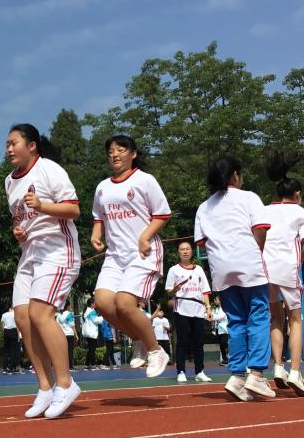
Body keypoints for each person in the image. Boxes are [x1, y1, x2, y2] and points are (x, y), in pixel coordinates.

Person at [4, 124, 82, 418]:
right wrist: (19, 231)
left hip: (57, 250)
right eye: (7, 144)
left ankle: (66, 383)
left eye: (14, 143)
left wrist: (42, 205)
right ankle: (45, 388)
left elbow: (73, 209)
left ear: (32, 145)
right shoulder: (9, 181)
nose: (9, 149)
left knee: (40, 314)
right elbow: (20, 219)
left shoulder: (49, 169)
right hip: (30, 253)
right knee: (23, 318)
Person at [90, 135, 172, 379]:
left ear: (133, 154)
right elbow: (98, 216)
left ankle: (156, 350)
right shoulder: (102, 187)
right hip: (115, 256)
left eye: (120, 150)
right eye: (110, 151)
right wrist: (96, 235)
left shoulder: (144, 180)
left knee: (125, 304)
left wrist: (145, 236)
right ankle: (139, 339)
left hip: (143, 253)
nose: (114, 154)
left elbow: (163, 214)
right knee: (103, 303)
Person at [194, 155, 275, 401]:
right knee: (259, 316)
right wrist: (256, 251)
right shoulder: (249, 197)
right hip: (249, 263)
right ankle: (257, 374)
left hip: (221, 269)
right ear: (236, 175)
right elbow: (260, 228)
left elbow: (201, 243)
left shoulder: (204, 207)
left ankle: (238, 375)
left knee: (236, 321)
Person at [260, 153, 304, 397]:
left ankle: (277, 366)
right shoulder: (301, 213)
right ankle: (295, 371)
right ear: (297, 194)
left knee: (275, 319)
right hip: (287, 269)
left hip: (264, 270)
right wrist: (299, 260)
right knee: (295, 320)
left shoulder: (263, 210)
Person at [164, 241, 212, 383]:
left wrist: (208, 307)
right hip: (181, 308)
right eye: (182, 249)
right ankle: (181, 371)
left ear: (192, 252)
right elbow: (168, 291)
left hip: (198, 309)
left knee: (199, 342)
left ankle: (199, 371)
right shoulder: (173, 270)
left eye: (187, 249)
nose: (185, 251)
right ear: (178, 253)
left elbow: (205, 290)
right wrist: (175, 289)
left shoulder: (199, 269)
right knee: (182, 341)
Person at [82, 297, 103, 370]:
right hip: (92, 333)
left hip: (88, 333)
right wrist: (103, 317)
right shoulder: (91, 311)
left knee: (90, 349)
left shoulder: (87, 311)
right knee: (92, 349)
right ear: (91, 304)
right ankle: (93, 365)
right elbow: (96, 320)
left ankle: (87, 364)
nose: (95, 304)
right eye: (94, 303)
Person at [1, 306, 22, 373]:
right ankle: (11, 368)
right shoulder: (15, 314)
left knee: (6, 350)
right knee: (13, 350)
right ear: (11, 308)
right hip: (13, 331)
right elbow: (17, 325)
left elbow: (3, 325)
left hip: (6, 331)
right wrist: (18, 335)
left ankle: (5, 368)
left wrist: (4, 333)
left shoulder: (4, 315)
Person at [56, 305, 78, 370]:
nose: (70, 307)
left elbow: (57, 325)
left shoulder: (59, 315)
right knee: (70, 351)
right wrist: (76, 335)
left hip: (62, 335)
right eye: (69, 305)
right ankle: (70, 366)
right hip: (70, 334)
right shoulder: (69, 314)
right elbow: (72, 325)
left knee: (63, 351)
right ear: (68, 306)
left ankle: (63, 366)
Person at [212, 298, 229, 365]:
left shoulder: (225, 308)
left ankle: (229, 358)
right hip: (218, 329)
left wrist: (212, 317)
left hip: (225, 328)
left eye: (216, 299)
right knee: (221, 345)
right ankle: (225, 360)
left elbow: (220, 317)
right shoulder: (216, 309)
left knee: (224, 343)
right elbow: (211, 316)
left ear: (220, 300)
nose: (215, 301)